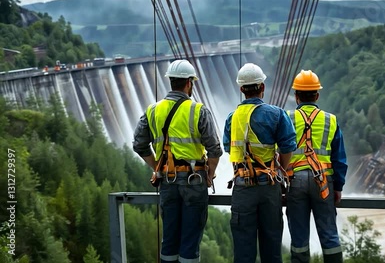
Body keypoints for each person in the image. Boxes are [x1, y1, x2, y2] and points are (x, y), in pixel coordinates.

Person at [133, 59, 222, 263]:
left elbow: (139, 144)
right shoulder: (198, 110)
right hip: (194, 181)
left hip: (167, 182)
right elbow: (214, 149)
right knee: (190, 241)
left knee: (169, 240)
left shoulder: (153, 110)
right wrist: (210, 174)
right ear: (190, 82)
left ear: (170, 81)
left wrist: (157, 167)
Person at [223, 63, 297, 263]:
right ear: (262, 87)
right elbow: (288, 146)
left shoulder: (232, 118)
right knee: (271, 246)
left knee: (243, 249)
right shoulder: (276, 114)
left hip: (242, 186)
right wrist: (280, 169)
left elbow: (228, 148)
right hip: (269, 186)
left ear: (241, 89)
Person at [285, 70, 348, 263]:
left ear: (296, 96)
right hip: (323, 183)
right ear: (317, 95)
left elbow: (280, 152)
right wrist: (338, 187)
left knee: (299, 238)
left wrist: (281, 185)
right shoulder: (330, 120)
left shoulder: (287, 118)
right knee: (329, 235)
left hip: (295, 182)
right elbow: (339, 159)